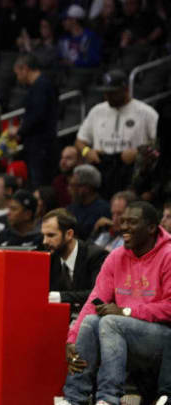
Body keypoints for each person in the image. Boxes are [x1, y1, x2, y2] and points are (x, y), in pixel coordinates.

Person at [58, 202, 171, 405]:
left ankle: (108, 399)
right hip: (124, 332)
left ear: (152, 228)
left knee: (111, 321)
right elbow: (95, 300)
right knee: (91, 321)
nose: (124, 227)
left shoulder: (168, 255)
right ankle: (74, 398)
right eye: (123, 221)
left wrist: (126, 311)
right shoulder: (117, 256)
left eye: (132, 222)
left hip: (163, 339)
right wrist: (71, 340)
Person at [75, 69, 158, 198]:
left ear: (125, 89)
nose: (108, 97)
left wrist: (138, 152)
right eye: (106, 93)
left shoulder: (146, 113)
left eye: (113, 93)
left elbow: (159, 144)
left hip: (131, 168)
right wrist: (87, 151)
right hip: (103, 164)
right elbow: (80, 141)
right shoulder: (97, 111)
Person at [42, 208, 108, 316]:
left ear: (69, 234)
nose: (44, 241)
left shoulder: (96, 256)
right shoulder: (49, 258)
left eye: (51, 235)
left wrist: (60, 297)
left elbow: (98, 295)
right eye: (43, 235)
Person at [9, 54, 59, 188]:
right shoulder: (40, 86)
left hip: (41, 145)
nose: (18, 78)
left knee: (40, 184)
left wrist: (19, 129)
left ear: (25, 69)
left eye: (18, 73)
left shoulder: (41, 86)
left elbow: (38, 115)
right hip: (38, 144)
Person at [67, 164, 111, 241]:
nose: (68, 189)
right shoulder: (72, 208)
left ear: (86, 188)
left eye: (72, 185)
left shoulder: (104, 211)